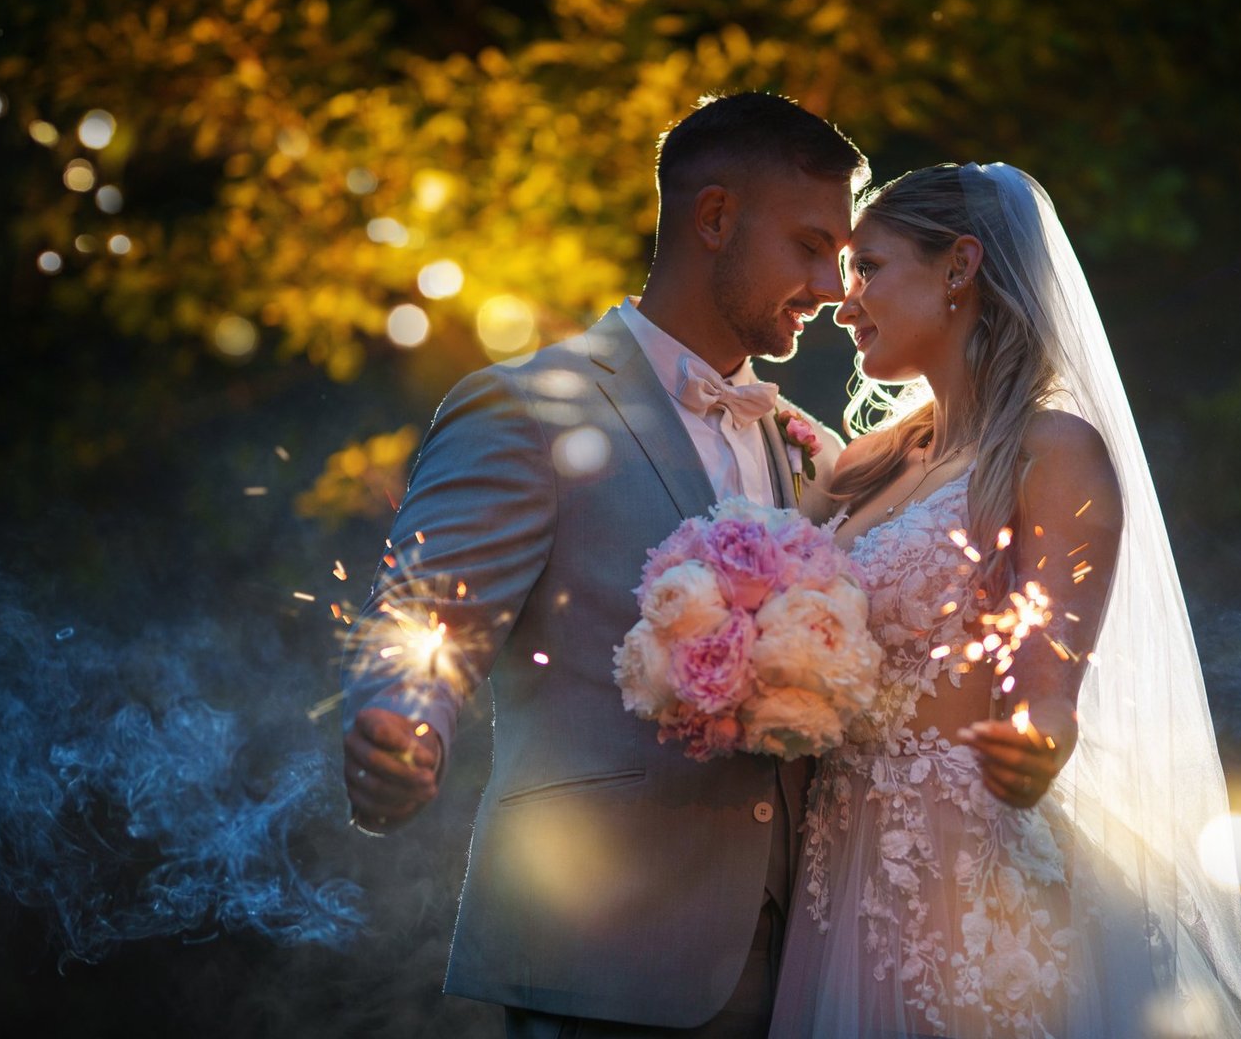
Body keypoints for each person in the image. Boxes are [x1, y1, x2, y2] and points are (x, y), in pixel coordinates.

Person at [339, 92, 865, 1037]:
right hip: (603, 946)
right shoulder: (526, 406)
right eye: (809, 244)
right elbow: (427, 610)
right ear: (714, 219)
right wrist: (403, 716)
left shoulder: (806, 445)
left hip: (799, 966)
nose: (833, 284)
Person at [770, 164, 1241, 1037]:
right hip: (836, 870)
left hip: (965, 880)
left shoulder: (1053, 451)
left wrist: (1040, 738)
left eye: (870, 267)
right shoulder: (868, 467)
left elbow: (1048, 677)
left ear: (958, 266)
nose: (844, 300)